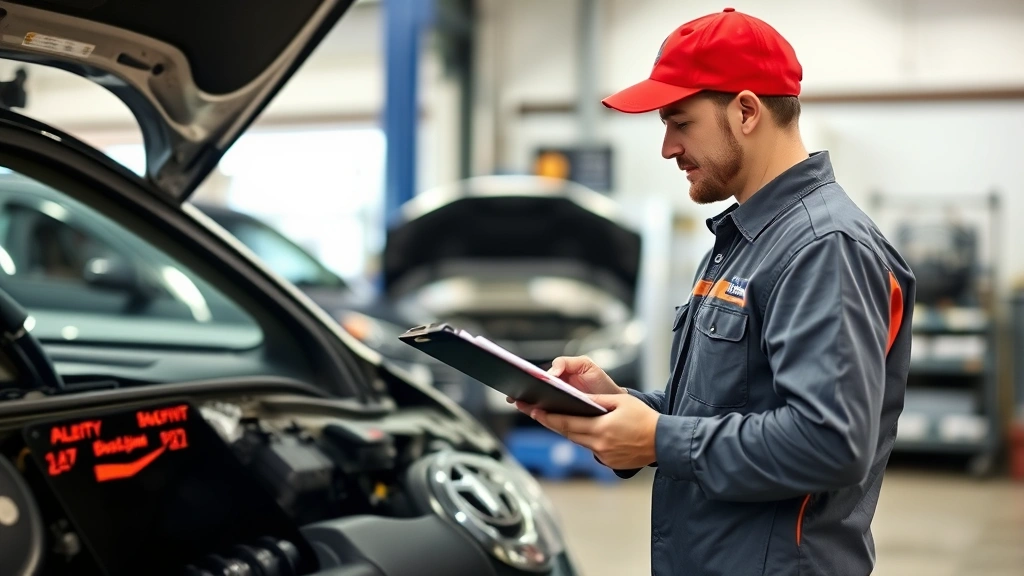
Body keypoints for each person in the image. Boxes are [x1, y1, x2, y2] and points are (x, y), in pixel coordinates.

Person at [510, 7, 916, 576]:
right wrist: (622, 406)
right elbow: (734, 405)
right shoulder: (745, 238)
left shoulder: (825, 247)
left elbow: (829, 443)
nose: (667, 148)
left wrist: (660, 440)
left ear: (746, 110)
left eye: (680, 122)